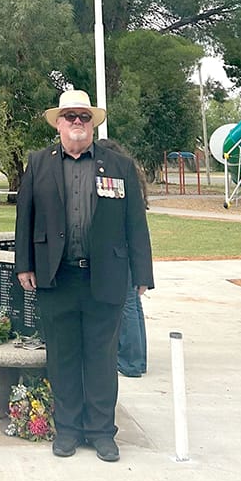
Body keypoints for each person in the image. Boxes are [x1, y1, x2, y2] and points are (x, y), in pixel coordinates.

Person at [14, 90, 154, 463]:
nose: (77, 123)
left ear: (93, 123)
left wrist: (142, 273)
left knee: (102, 358)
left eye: (83, 117)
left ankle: (101, 432)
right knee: (62, 357)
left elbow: (135, 224)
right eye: (70, 116)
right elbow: (24, 219)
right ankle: (69, 430)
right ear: (58, 122)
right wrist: (24, 264)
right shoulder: (38, 164)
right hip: (56, 277)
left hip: (104, 276)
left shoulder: (118, 166)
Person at [99, 138, 150, 377]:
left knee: (128, 305)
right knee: (134, 304)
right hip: (129, 249)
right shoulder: (131, 173)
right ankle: (138, 358)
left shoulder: (118, 175)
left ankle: (131, 361)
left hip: (121, 249)